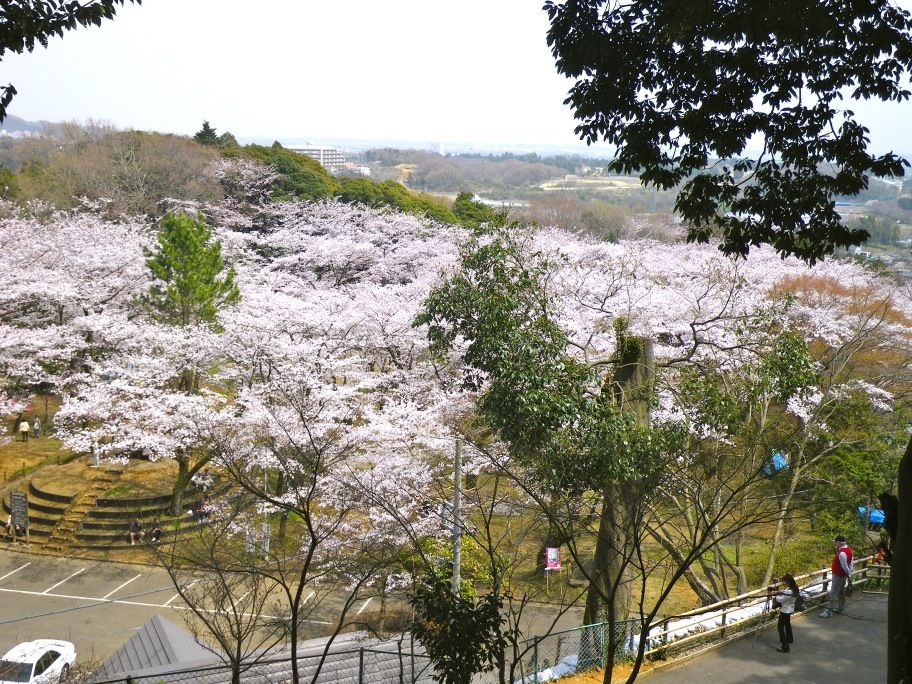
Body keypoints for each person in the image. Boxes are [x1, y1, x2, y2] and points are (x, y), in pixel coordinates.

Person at [819, 534, 853, 617]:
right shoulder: (849, 551)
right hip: (842, 575)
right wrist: (849, 574)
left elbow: (844, 566)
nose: (835, 544)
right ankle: (840, 608)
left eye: (836, 542)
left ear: (839, 542)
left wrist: (848, 574)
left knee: (833, 594)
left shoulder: (842, 553)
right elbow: (851, 564)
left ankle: (828, 612)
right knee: (840, 593)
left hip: (839, 576)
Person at [772, 573, 801, 652]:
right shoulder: (793, 589)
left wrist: (775, 595)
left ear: (787, 582)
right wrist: (779, 592)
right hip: (790, 609)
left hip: (784, 610)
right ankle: (789, 638)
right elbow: (784, 594)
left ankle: (785, 646)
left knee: (780, 627)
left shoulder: (788, 591)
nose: (783, 584)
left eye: (783, 582)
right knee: (787, 624)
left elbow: (780, 600)